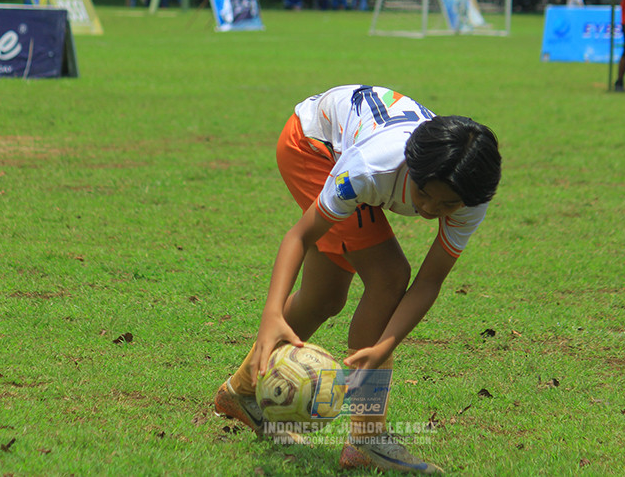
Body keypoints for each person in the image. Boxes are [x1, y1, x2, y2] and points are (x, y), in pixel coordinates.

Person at [213, 85, 501, 474]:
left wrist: (385, 344)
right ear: (411, 170)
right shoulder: (371, 168)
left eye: (447, 204)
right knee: (389, 274)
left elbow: (431, 281)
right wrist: (270, 315)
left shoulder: (471, 194)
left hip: (346, 143)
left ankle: (242, 392)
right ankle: (367, 439)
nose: (431, 209)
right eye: (424, 194)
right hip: (311, 146)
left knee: (325, 298)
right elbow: (300, 235)